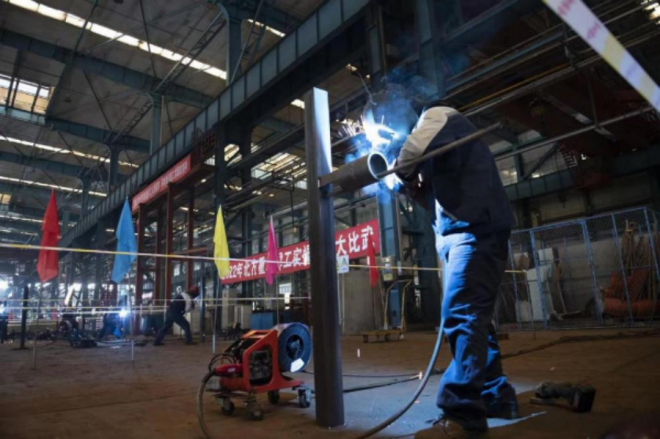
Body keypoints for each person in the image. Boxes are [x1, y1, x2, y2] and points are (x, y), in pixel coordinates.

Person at [366, 91, 518, 439]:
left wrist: (400, 171)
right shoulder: (441, 152)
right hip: (465, 234)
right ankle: (497, 396)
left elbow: (409, 156)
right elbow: (429, 198)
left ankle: (462, 415)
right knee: (475, 321)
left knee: (461, 315)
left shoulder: (438, 115)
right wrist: (411, 187)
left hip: (475, 232)